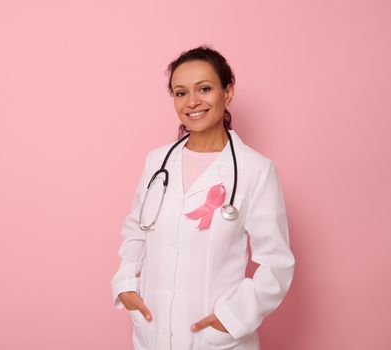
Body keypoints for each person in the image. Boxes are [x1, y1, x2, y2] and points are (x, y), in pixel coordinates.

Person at [110, 45, 295, 350]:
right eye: (181, 93)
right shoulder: (157, 162)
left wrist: (232, 318)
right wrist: (126, 285)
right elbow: (135, 231)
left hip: (217, 341)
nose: (192, 102)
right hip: (152, 334)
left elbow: (277, 263)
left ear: (228, 92)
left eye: (205, 89)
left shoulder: (256, 170)